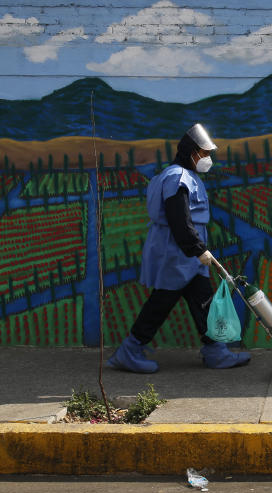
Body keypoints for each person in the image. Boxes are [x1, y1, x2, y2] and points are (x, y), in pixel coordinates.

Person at [108, 123, 251, 372]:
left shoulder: (181, 176)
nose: (207, 159)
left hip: (184, 254)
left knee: (203, 300)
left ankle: (216, 351)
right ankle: (129, 350)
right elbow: (179, 218)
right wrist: (196, 248)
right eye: (204, 153)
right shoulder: (177, 178)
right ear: (192, 152)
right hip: (176, 253)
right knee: (162, 302)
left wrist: (196, 250)